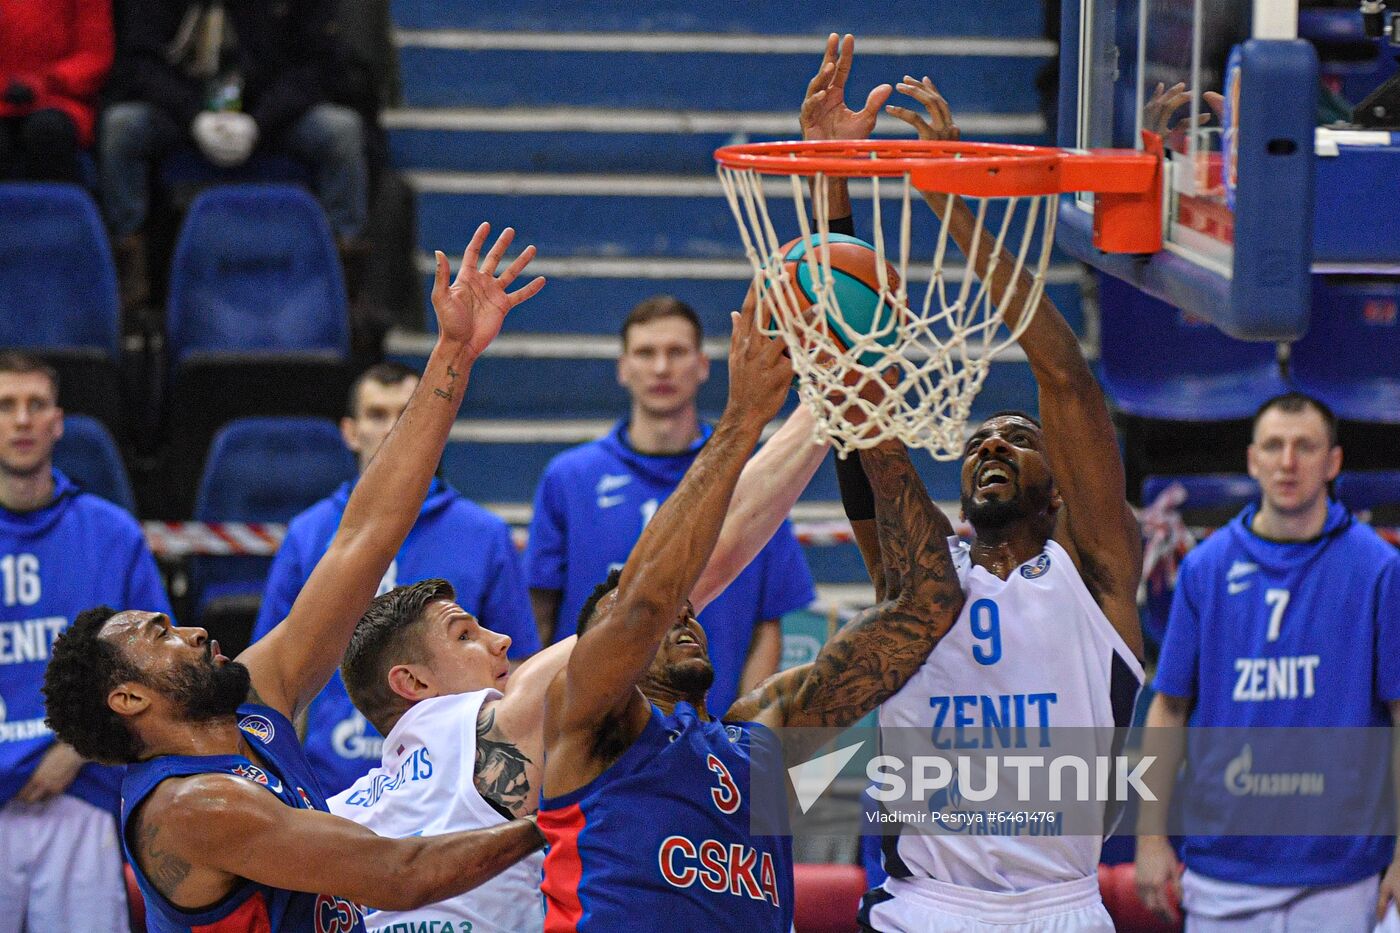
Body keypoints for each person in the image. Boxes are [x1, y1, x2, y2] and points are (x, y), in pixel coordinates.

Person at [41, 222, 547, 930]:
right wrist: (566, 809)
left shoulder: (250, 702)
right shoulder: (193, 808)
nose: (189, 630)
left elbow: (363, 538)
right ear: (128, 696)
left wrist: (454, 353)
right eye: (159, 634)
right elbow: (398, 875)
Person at [326, 322, 836, 932]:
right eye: (464, 635)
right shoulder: (488, 723)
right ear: (412, 682)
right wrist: (826, 402)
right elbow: (683, 580)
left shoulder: (338, 812)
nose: (503, 640)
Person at [800, 35, 1146, 930]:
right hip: (931, 906)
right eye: (979, 438)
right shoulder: (920, 579)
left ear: (1059, 485)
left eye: (1016, 438)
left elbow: (1066, 379)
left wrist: (952, 201)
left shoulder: (1095, 571)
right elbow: (853, 404)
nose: (991, 443)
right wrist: (836, 178)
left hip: (1066, 903)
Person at [537, 294, 967, 932]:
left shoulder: (756, 736)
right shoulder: (595, 725)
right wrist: (743, 418)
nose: (678, 618)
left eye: (688, 610)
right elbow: (642, 606)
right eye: (657, 618)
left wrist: (866, 413)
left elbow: (924, 613)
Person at [1134, 392, 1400, 932]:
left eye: (1305, 447)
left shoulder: (1379, 568)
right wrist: (1150, 837)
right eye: (1274, 446)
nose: (1288, 462)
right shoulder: (1205, 568)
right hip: (1222, 872)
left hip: (1342, 875)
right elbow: (1168, 709)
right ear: (1252, 459)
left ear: (1333, 463)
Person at [250, 361, 540, 796]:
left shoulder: (483, 534)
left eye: (405, 415)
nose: (391, 429)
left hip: (454, 787)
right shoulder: (308, 533)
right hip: (331, 783)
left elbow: (513, 664)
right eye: (377, 415)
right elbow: (275, 676)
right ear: (350, 431)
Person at [526, 294, 816, 714]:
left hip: (708, 732)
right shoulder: (568, 477)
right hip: (595, 731)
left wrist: (742, 736)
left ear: (702, 365)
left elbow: (767, 624)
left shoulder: (748, 477)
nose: (661, 367)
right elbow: (541, 617)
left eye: (676, 352)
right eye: (646, 353)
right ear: (623, 368)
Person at [0, 351, 171, 931]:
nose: (21, 420)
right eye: (5, 405)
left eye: (35, 405)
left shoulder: (111, 533)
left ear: (58, 422)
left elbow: (155, 666)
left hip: (82, 794)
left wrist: (77, 746)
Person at [99, 0, 367, 309]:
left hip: (270, 115)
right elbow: (139, 64)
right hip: (182, 111)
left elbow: (318, 68)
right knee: (121, 127)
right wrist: (192, 118)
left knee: (341, 132)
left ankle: (344, 288)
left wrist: (259, 123)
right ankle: (129, 282)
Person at [0, 0, 113, 184]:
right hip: (4, 100)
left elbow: (94, 56)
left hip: (61, 100)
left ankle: (55, 211)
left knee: (46, 131)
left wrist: (46, 81)